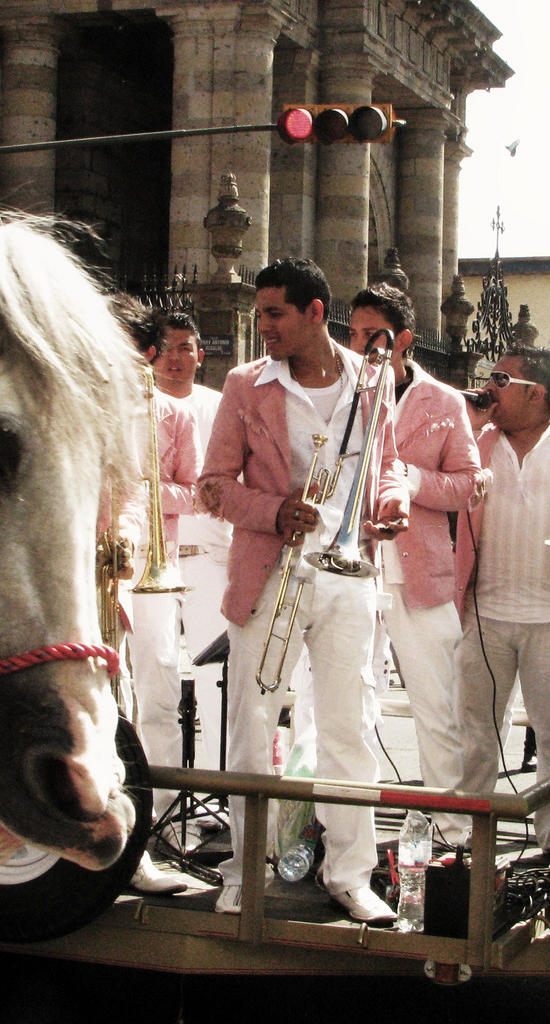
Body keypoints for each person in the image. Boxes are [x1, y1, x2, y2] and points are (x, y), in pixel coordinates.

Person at [197, 257, 409, 925]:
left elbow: (389, 465)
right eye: (260, 312)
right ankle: (242, 870)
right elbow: (212, 484)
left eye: (273, 313)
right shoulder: (242, 384)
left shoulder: (370, 381)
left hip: (346, 576)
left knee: (349, 728)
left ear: (314, 313)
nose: (262, 326)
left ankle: (350, 874)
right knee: (251, 728)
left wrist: (394, 499)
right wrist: (271, 510)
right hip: (269, 573)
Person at [348, 284, 487, 846]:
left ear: (403, 339)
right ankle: (345, 832)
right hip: (351, 566)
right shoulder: (341, 392)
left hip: (420, 575)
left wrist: (412, 480)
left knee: (438, 706)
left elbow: (469, 486)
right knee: (345, 705)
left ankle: (453, 833)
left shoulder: (446, 401)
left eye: (371, 335)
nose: (359, 346)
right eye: (353, 334)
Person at [108, 293, 201, 894]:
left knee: (160, 692)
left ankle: (162, 821)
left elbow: (195, 493)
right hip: (100, 572)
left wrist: (143, 493)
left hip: (150, 568)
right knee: (108, 700)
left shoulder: (174, 416)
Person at [453, 346, 550, 852]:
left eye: (501, 379)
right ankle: (469, 844)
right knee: (475, 738)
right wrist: (470, 425)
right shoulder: (479, 443)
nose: (488, 386)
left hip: (548, 622)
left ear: (537, 393)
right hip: (484, 617)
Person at [151, 313, 233, 784]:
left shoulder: (219, 406)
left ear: (201, 355)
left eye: (185, 347)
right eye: (166, 347)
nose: (175, 357)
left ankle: (217, 789)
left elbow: (217, 492)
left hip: (207, 559)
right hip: (151, 559)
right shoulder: (138, 403)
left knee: (214, 679)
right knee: (157, 682)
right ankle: (158, 795)